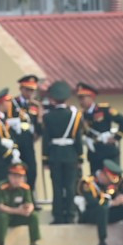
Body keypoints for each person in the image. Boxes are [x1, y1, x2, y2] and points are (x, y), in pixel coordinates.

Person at [39, 81, 84, 223]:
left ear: (52, 98)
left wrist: (45, 159)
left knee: (57, 186)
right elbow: (78, 138)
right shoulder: (74, 116)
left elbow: (46, 139)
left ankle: (58, 215)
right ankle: (70, 214)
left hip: (55, 154)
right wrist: (80, 158)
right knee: (70, 186)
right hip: (71, 154)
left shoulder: (48, 116)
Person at [0, 163, 46, 245]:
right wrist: (18, 211)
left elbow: (30, 203)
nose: (17, 179)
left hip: (17, 216)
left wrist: (28, 210)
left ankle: (33, 244)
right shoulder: (1, 187)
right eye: (14, 176)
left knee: (34, 215)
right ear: (9, 176)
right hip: (0, 216)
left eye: (20, 176)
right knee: (2, 217)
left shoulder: (25, 188)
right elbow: (0, 206)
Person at [77, 83, 123, 176]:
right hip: (94, 152)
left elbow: (122, 120)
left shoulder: (103, 109)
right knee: (96, 177)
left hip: (108, 150)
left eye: (83, 98)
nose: (81, 101)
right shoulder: (80, 115)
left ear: (91, 97)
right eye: (79, 98)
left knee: (113, 176)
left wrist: (116, 138)